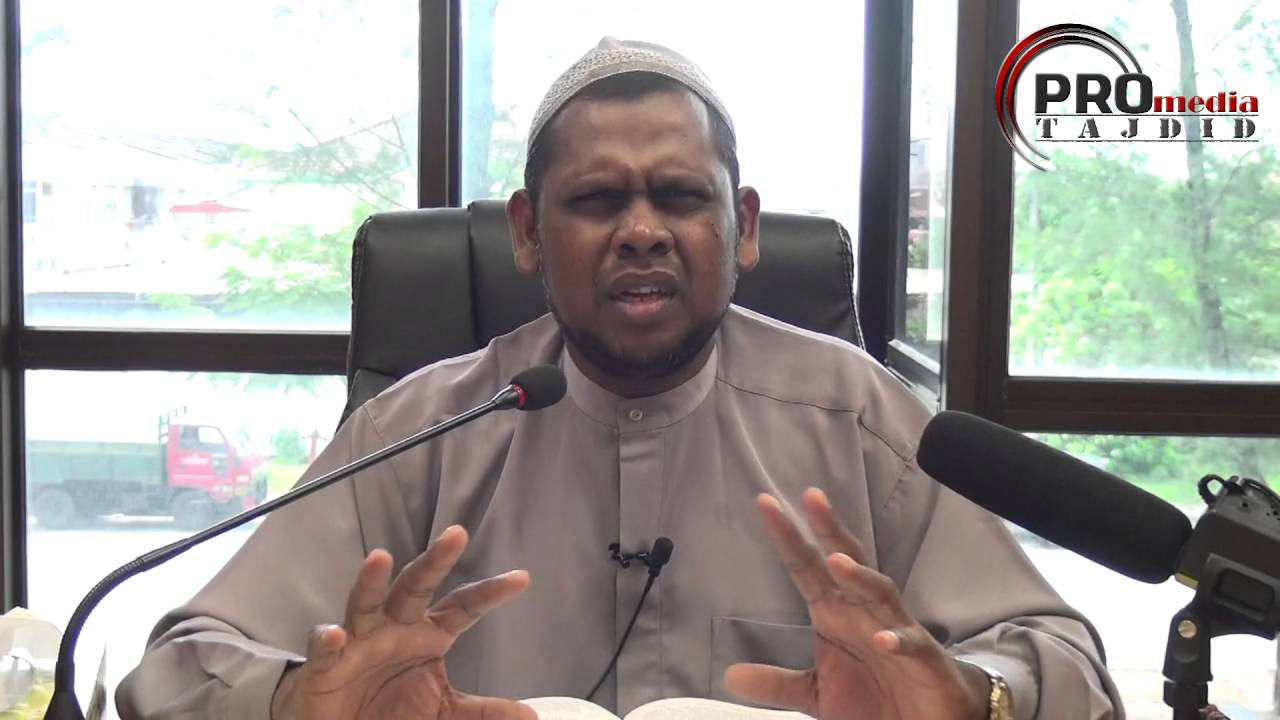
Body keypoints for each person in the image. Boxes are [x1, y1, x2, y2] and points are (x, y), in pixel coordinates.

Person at [116, 38, 1123, 720]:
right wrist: (299, 704)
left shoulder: (856, 417)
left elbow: (1070, 665)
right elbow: (169, 673)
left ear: (742, 226)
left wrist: (975, 700)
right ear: (526, 233)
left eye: (680, 196)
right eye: (597, 199)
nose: (642, 231)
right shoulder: (420, 432)